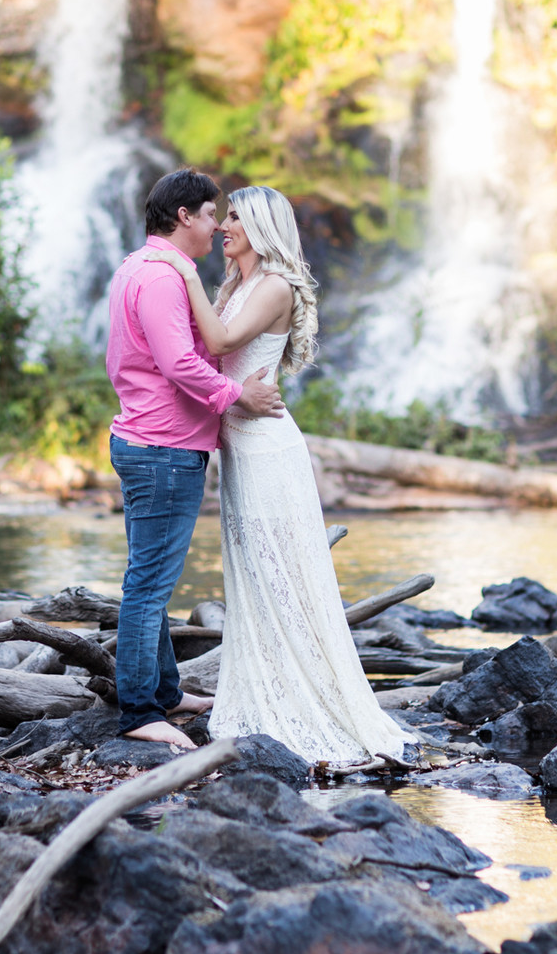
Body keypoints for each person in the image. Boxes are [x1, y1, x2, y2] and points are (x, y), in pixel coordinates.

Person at [145, 184, 416, 767]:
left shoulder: (273, 286)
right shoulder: (238, 283)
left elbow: (217, 342)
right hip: (238, 448)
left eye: (236, 218)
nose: (225, 227)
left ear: (264, 228)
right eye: (226, 217)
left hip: (268, 450)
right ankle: (266, 690)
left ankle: (305, 699)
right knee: (251, 575)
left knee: (280, 572)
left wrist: (179, 270)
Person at [106, 167, 285, 751]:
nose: (216, 225)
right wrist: (239, 395)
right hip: (163, 448)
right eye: (211, 213)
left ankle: (162, 690)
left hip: (151, 441)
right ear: (184, 217)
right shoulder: (159, 278)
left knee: (148, 575)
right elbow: (183, 364)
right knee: (150, 585)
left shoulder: (140, 266)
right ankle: (138, 709)